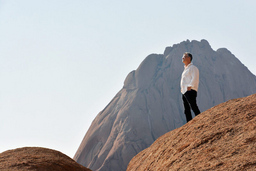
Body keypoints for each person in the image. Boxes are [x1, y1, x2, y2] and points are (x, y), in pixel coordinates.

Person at [180, 52, 201, 123]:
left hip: (190, 90)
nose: (183, 58)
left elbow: (195, 78)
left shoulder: (193, 68)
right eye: (183, 56)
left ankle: (200, 119)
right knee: (186, 109)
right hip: (184, 91)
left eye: (184, 56)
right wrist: (182, 89)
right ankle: (189, 122)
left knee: (193, 105)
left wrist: (190, 86)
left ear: (189, 58)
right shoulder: (185, 69)